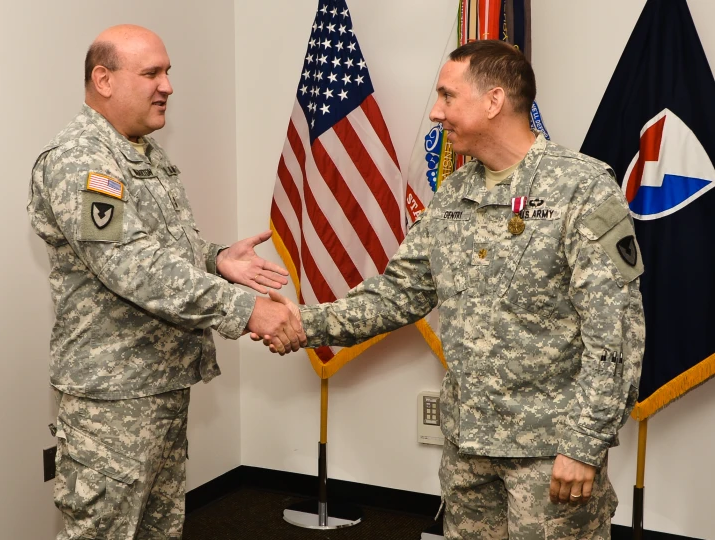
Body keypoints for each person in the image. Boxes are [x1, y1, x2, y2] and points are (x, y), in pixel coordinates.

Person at [258, 40, 644, 539]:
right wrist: (305, 323)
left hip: (549, 453)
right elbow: (398, 293)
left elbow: (614, 331)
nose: (436, 113)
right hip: (467, 449)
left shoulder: (582, 187)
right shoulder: (456, 195)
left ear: (493, 101)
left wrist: (584, 444)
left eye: (447, 96)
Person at [27, 24, 305, 539]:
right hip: (113, 399)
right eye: (152, 73)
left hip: (160, 384)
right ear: (103, 80)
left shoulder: (142, 153)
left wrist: (217, 258)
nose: (168, 86)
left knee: (159, 530)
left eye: (168, 72)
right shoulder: (82, 160)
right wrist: (246, 311)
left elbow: (164, 248)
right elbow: (132, 264)